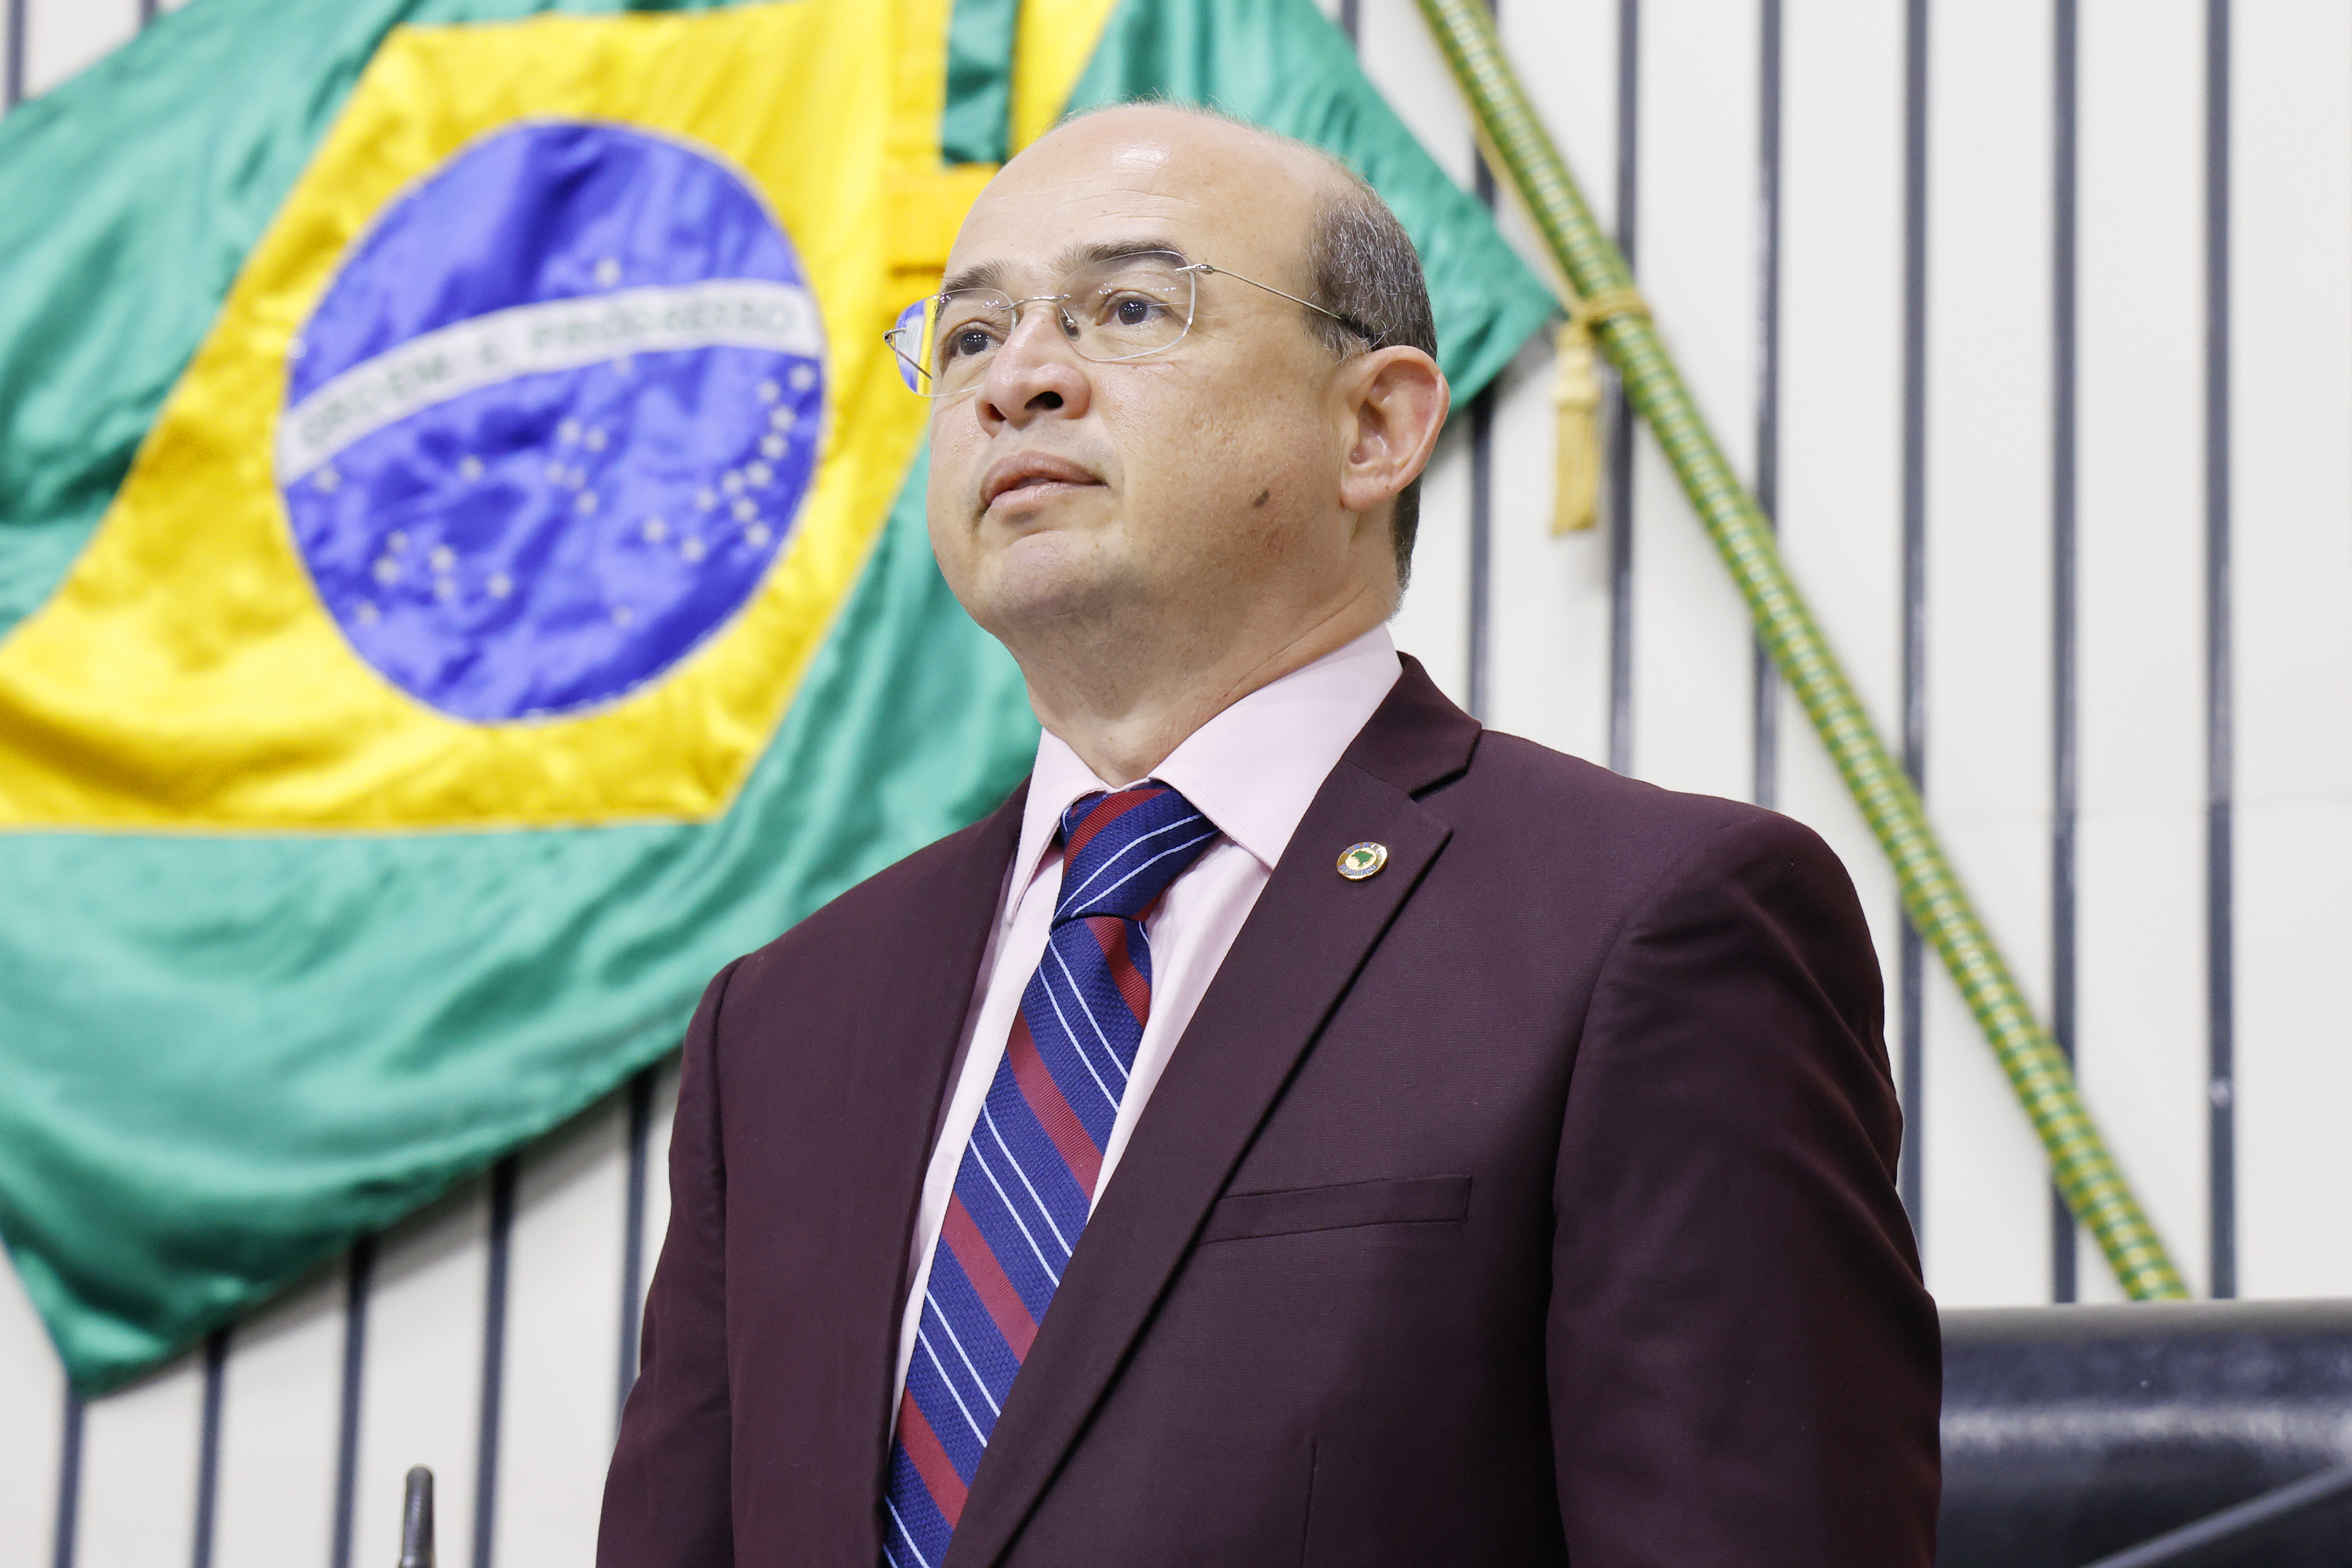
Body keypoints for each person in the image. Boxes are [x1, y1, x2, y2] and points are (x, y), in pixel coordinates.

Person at [599, 103, 1940, 1568]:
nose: (1019, 380)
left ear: (1376, 427)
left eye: (1129, 309)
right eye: (971, 336)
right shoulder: (786, 1018)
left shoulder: (1649, 927)